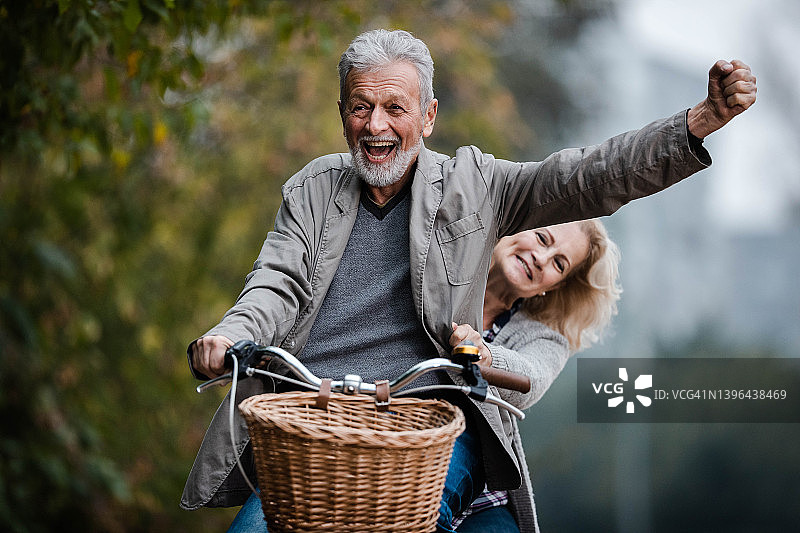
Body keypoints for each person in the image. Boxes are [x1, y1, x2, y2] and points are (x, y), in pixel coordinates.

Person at [180, 29, 756, 533]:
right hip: (314, 429)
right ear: (341, 112)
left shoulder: (475, 188)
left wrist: (698, 122)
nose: (375, 126)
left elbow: (589, 176)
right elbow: (275, 281)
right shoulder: (312, 189)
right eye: (361, 106)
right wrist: (231, 334)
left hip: (422, 438)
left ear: (429, 116)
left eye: (395, 108)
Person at [450, 219, 620, 531]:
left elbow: (531, 380)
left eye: (559, 263)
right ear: (517, 221)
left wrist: (487, 356)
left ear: (554, 286)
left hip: (482, 491)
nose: (541, 258)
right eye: (542, 238)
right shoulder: (442, 273)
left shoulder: (547, 340)